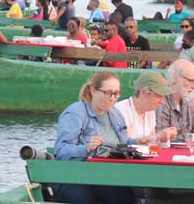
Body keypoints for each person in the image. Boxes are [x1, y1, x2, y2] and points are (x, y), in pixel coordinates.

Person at [52, 71, 137, 204]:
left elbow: (121, 144)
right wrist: (86, 149)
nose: (113, 98)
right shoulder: (75, 113)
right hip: (73, 176)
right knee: (85, 198)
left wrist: (139, 141)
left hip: (105, 175)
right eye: (108, 93)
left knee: (125, 198)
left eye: (116, 93)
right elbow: (61, 151)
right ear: (93, 90)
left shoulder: (115, 114)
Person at [114, 72, 177, 141]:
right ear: (143, 93)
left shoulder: (150, 111)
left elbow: (152, 144)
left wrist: (165, 138)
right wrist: (157, 136)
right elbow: (126, 144)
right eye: (159, 96)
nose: (162, 102)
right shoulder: (121, 110)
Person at [156, 59, 194, 142]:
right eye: (190, 80)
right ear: (175, 77)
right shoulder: (161, 102)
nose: (193, 86)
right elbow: (161, 138)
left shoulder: (188, 105)